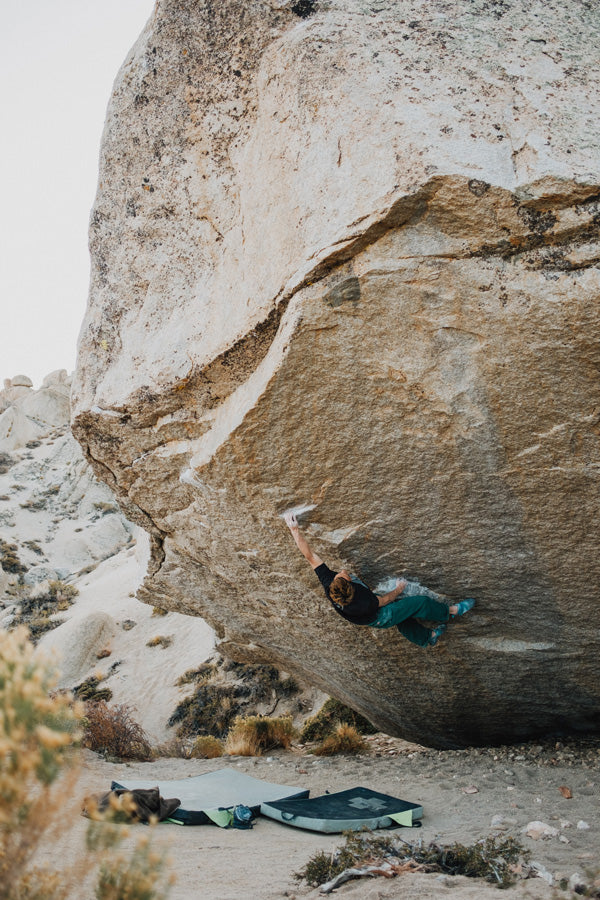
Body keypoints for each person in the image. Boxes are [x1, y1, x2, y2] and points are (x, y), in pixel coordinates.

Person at [284, 512, 475, 647]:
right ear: (352, 588)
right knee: (418, 603)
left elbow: (309, 556)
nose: (343, 571)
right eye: (345, 575)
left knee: (403, 616)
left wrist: (294, 530)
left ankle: (428, 637)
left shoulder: (329, 584)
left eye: (339, 575)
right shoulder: (363, 602)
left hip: (366, 614)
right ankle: (450, 611)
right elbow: (385, 600)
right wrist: (400, 588)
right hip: (379, 616)